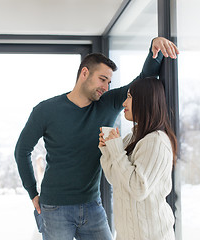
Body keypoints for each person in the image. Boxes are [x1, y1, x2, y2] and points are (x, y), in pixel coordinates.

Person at [15, 37, 179, 240]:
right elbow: (22, 150)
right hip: (54, 208)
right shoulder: (46, 110)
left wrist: (155, 51)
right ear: (85, 73)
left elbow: (143, 81)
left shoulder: (107, 103)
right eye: (102, 79)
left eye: (109, 82)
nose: (106, 87)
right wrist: (32, 192)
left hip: (92, 206)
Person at [98, 76, 178, 240]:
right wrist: (108, 151)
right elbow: (116, 179)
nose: (124, 104)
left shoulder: (156, 141)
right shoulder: (132, 138)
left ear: (144, 100)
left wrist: (117, 150)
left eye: (129, 97)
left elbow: (138, 189)